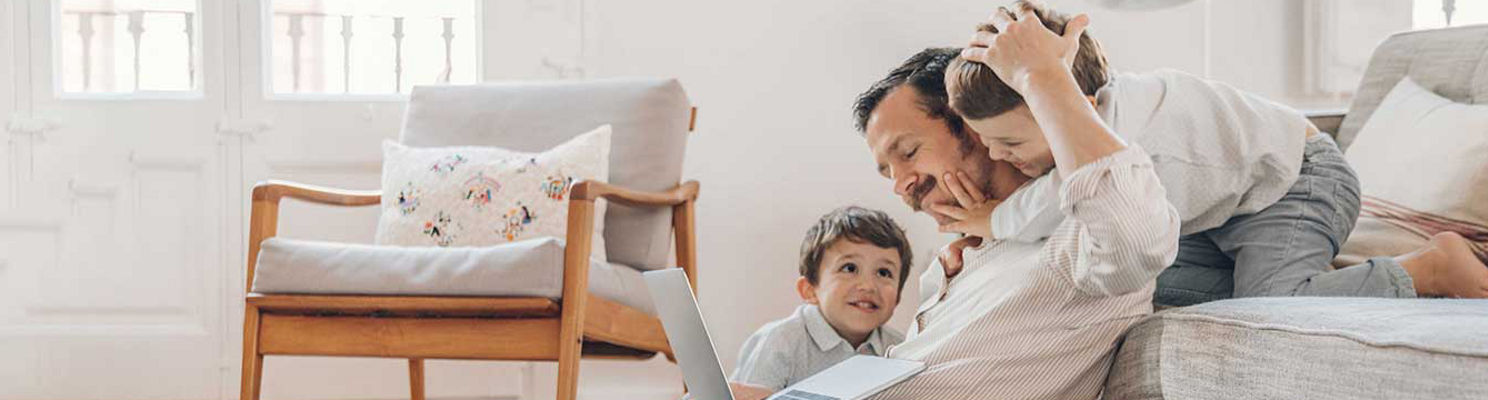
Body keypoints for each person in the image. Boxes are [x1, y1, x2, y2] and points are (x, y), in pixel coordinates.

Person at [937, 0, 1488, 301]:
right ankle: (1280, 277)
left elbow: (1061, 200)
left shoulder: (1120, 127)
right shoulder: (1098, 113)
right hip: (1222, 211)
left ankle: (1427, 268)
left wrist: (996, 218)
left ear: (1070, 100)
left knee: (1276, 302)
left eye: (1009, 144)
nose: (1004, 159)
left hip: (1296, 184)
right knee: (1144, 291)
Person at [729, 206, 910, 391]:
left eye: (883, 272)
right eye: (849, 268)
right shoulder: (780, 343)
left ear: (897, 296)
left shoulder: (901, 350)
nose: (868, 285)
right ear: (809, 290)